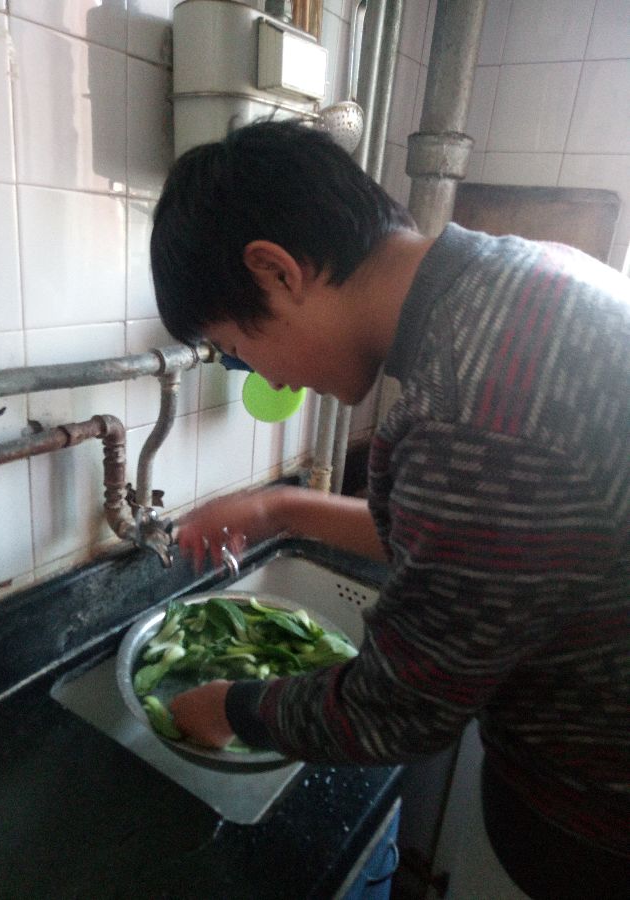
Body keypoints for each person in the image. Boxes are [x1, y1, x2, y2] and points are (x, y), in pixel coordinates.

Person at [150, 119, 629, 898]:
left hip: (599, 825)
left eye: (237, 349)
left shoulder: (472, 405)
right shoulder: (521, 282)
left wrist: (230, 708)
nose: (262, 376)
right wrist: (280, 508)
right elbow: (471, 544)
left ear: (276, 271)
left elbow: (397, 712)